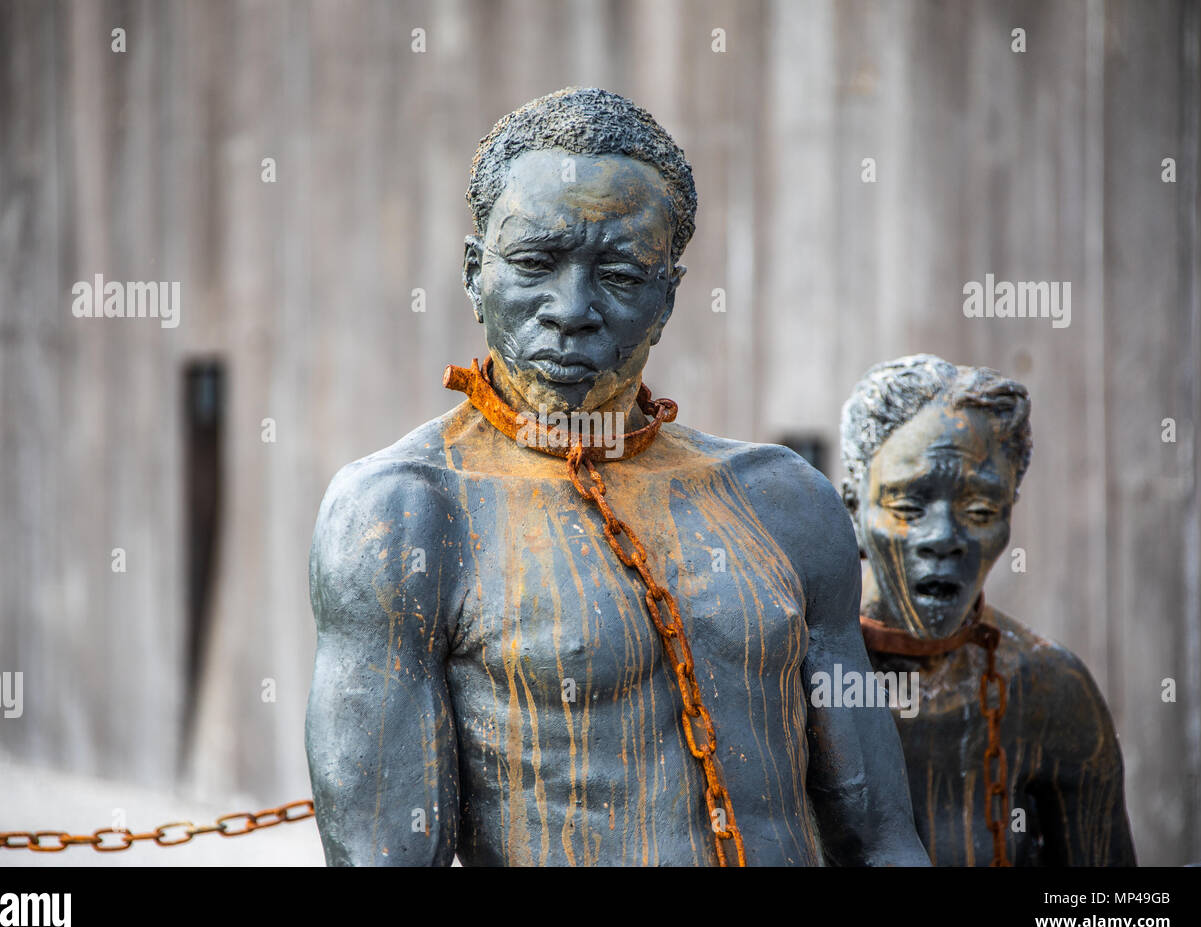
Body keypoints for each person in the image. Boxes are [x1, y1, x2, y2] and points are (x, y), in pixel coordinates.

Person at [305, 88, 928, 866]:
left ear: (668, 294)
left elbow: (881, 838)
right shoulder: (401, 517)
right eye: (534, 262)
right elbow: (384, 855)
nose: (571, 309)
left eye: (623, 274)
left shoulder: (784, 499)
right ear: (474, 275)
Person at [840, 354, 1136, 865]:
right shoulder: (790, 678)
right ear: (853, 507)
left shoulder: (1052, 690)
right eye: (908, 507)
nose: (944, 540)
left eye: (980, 511)